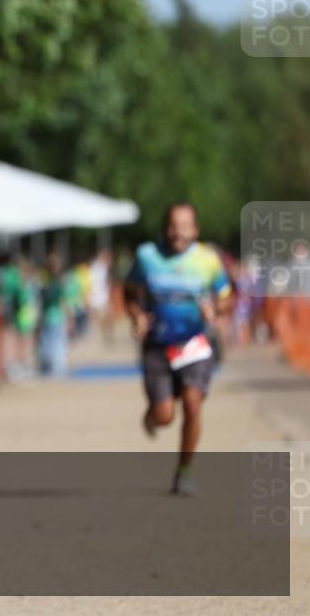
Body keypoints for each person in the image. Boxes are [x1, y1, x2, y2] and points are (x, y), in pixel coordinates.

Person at [124, 202, 232, 496]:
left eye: (185, 226)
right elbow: (129, 292)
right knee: (165, 416)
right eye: (173, 226)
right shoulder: (147, 256)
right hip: (157, 347)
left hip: (194, 344)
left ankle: (184, 472)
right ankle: (152, 416)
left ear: (195, 230)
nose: (178, 233)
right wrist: (137, 316)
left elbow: (226, 297)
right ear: (164, 227)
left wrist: (215, 309)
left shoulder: (208, 260)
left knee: (193, 404)